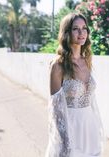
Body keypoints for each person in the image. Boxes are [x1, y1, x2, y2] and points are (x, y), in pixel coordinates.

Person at [45, 13, 105, 157]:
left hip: (89, 129)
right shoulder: (58, 65)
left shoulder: (87, 61)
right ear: (66, 33)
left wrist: (97, 127)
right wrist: (65, 141)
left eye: (84, 28)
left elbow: (92, 101)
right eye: (75, 29)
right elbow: (55, 109)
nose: (81, 32)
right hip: (70, 130)